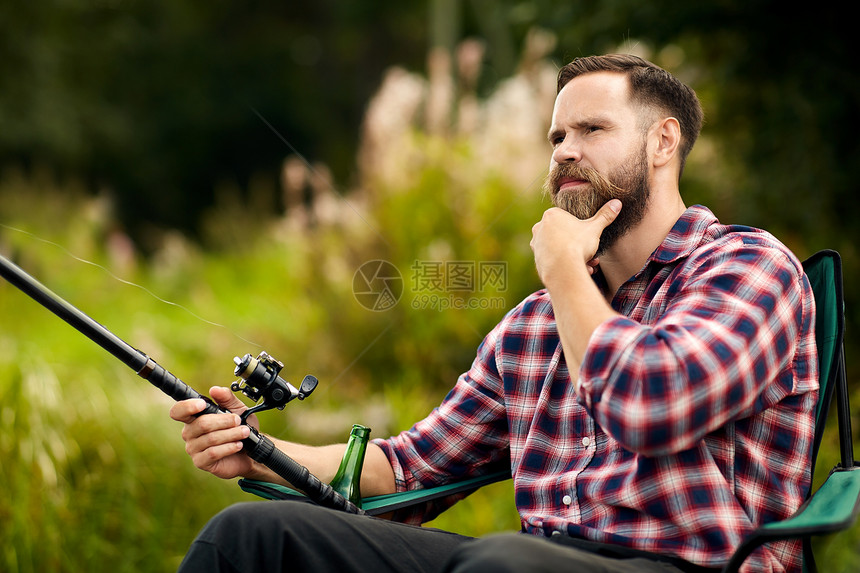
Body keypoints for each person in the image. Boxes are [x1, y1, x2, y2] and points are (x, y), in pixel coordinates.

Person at [170, 54, 817, 573]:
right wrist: (259, 451)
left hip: (689, 563)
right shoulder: (534, 326)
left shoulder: (748, 268)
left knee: (506, 559)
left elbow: (651, 405)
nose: (564, 150)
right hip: (524, 560)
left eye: (591, 130)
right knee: (249, 537)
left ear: (662, 141)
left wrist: (564, 267)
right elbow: (411, 467)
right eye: (557, 136)